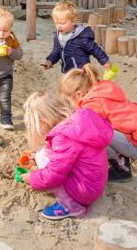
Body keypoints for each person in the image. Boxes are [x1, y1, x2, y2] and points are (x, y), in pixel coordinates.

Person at [20, 91, 113, 221]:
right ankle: (71, 198)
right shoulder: (76, 123)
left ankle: (69, 205)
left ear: (43, 121)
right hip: (94, 184)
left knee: (43, 158)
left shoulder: (64, 138)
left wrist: (32, 177)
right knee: (41, 154)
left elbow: (53, 174)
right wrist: (37, 156)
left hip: (84, 192)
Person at [59, 64, 137, 182]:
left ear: (79, 95)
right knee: (101, 128)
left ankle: (122, 169)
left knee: (93, 135)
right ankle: (123, 155)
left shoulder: (92, 105)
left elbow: (81, 130)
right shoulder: (102, 89)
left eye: (70, 102)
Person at [42, 1, 111, 73]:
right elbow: (56, 51)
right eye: (56, 23)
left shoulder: (81, 36)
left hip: (81, 72)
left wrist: (105, 61)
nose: (58, 26)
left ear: (73, 21)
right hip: (68, 72)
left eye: (62, 23)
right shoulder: (58, 36)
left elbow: (95, 49)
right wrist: (50, 61)